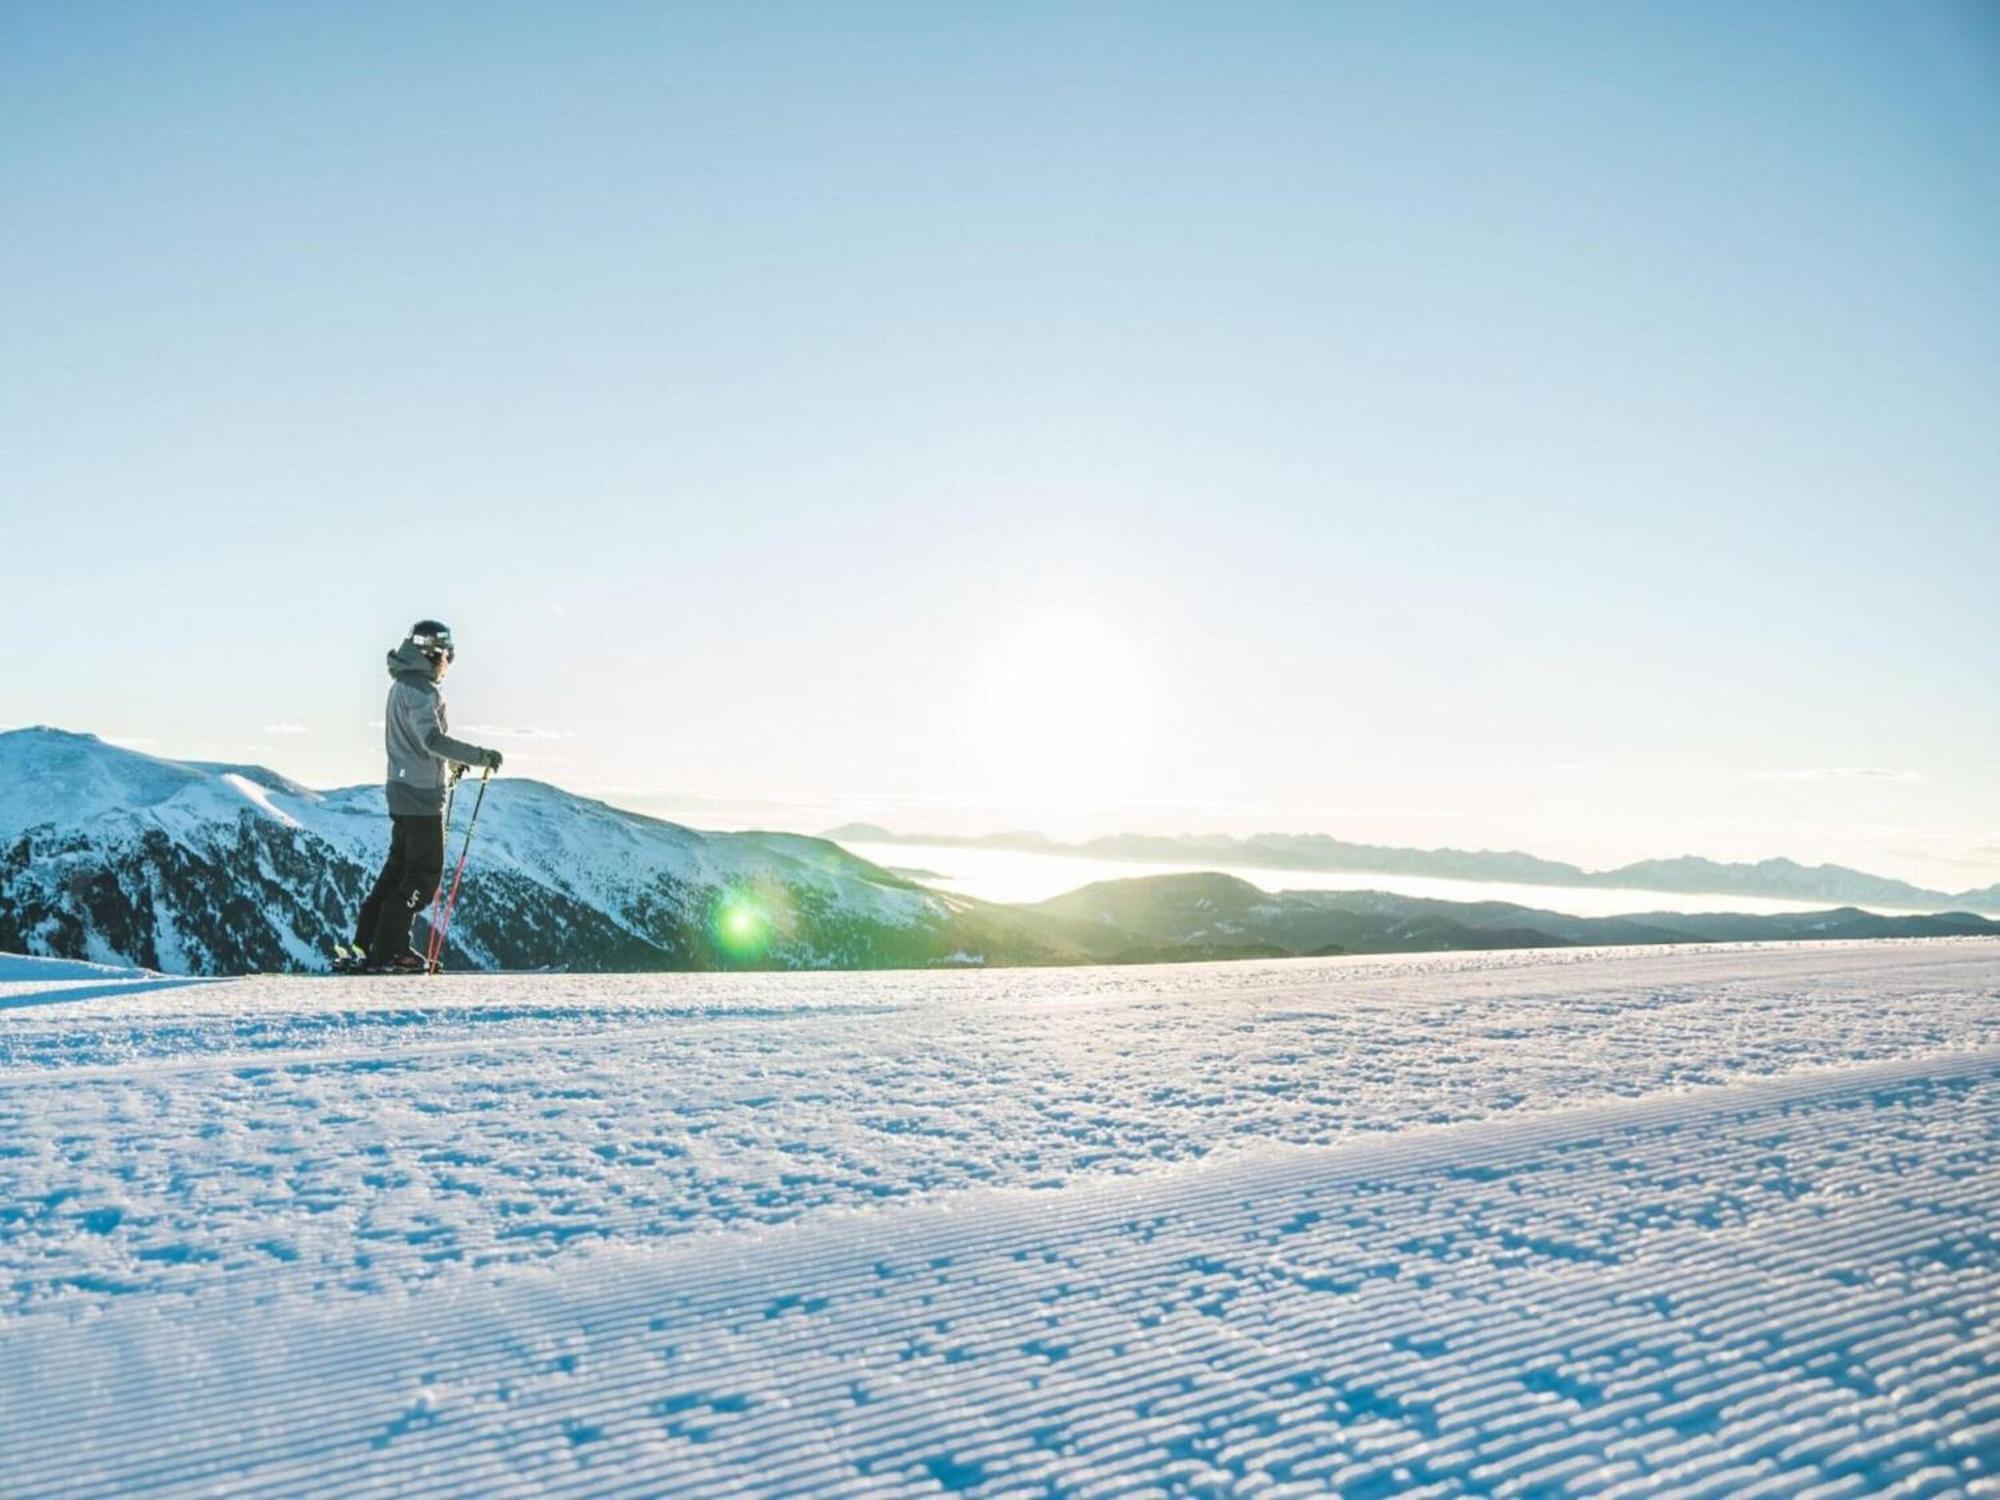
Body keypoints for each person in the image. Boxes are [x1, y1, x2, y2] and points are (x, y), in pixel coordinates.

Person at [352, 620, 502, 972]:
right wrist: (479, 756)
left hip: (402, 790)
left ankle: (365, 944)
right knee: (422, 876)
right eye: (445, 654)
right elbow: (430, 740)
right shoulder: (421, 690)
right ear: (434, 653)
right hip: (420, 796)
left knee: (397, 872)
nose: (447, 661)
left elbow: (421, 742)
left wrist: (448, 763)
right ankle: (389, 951)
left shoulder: (402, 685)